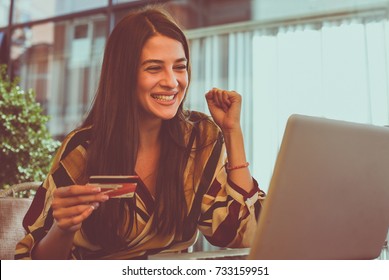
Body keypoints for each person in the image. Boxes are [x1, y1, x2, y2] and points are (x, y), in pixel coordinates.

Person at [15, 5, 266, 260]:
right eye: (154, 68)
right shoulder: (83, 149)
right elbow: (32, 263)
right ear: (124, 75)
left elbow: (243, 236)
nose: (171, 81)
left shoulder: (199, 138)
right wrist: (63, 228)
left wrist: (232, 132)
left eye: (179, 67)